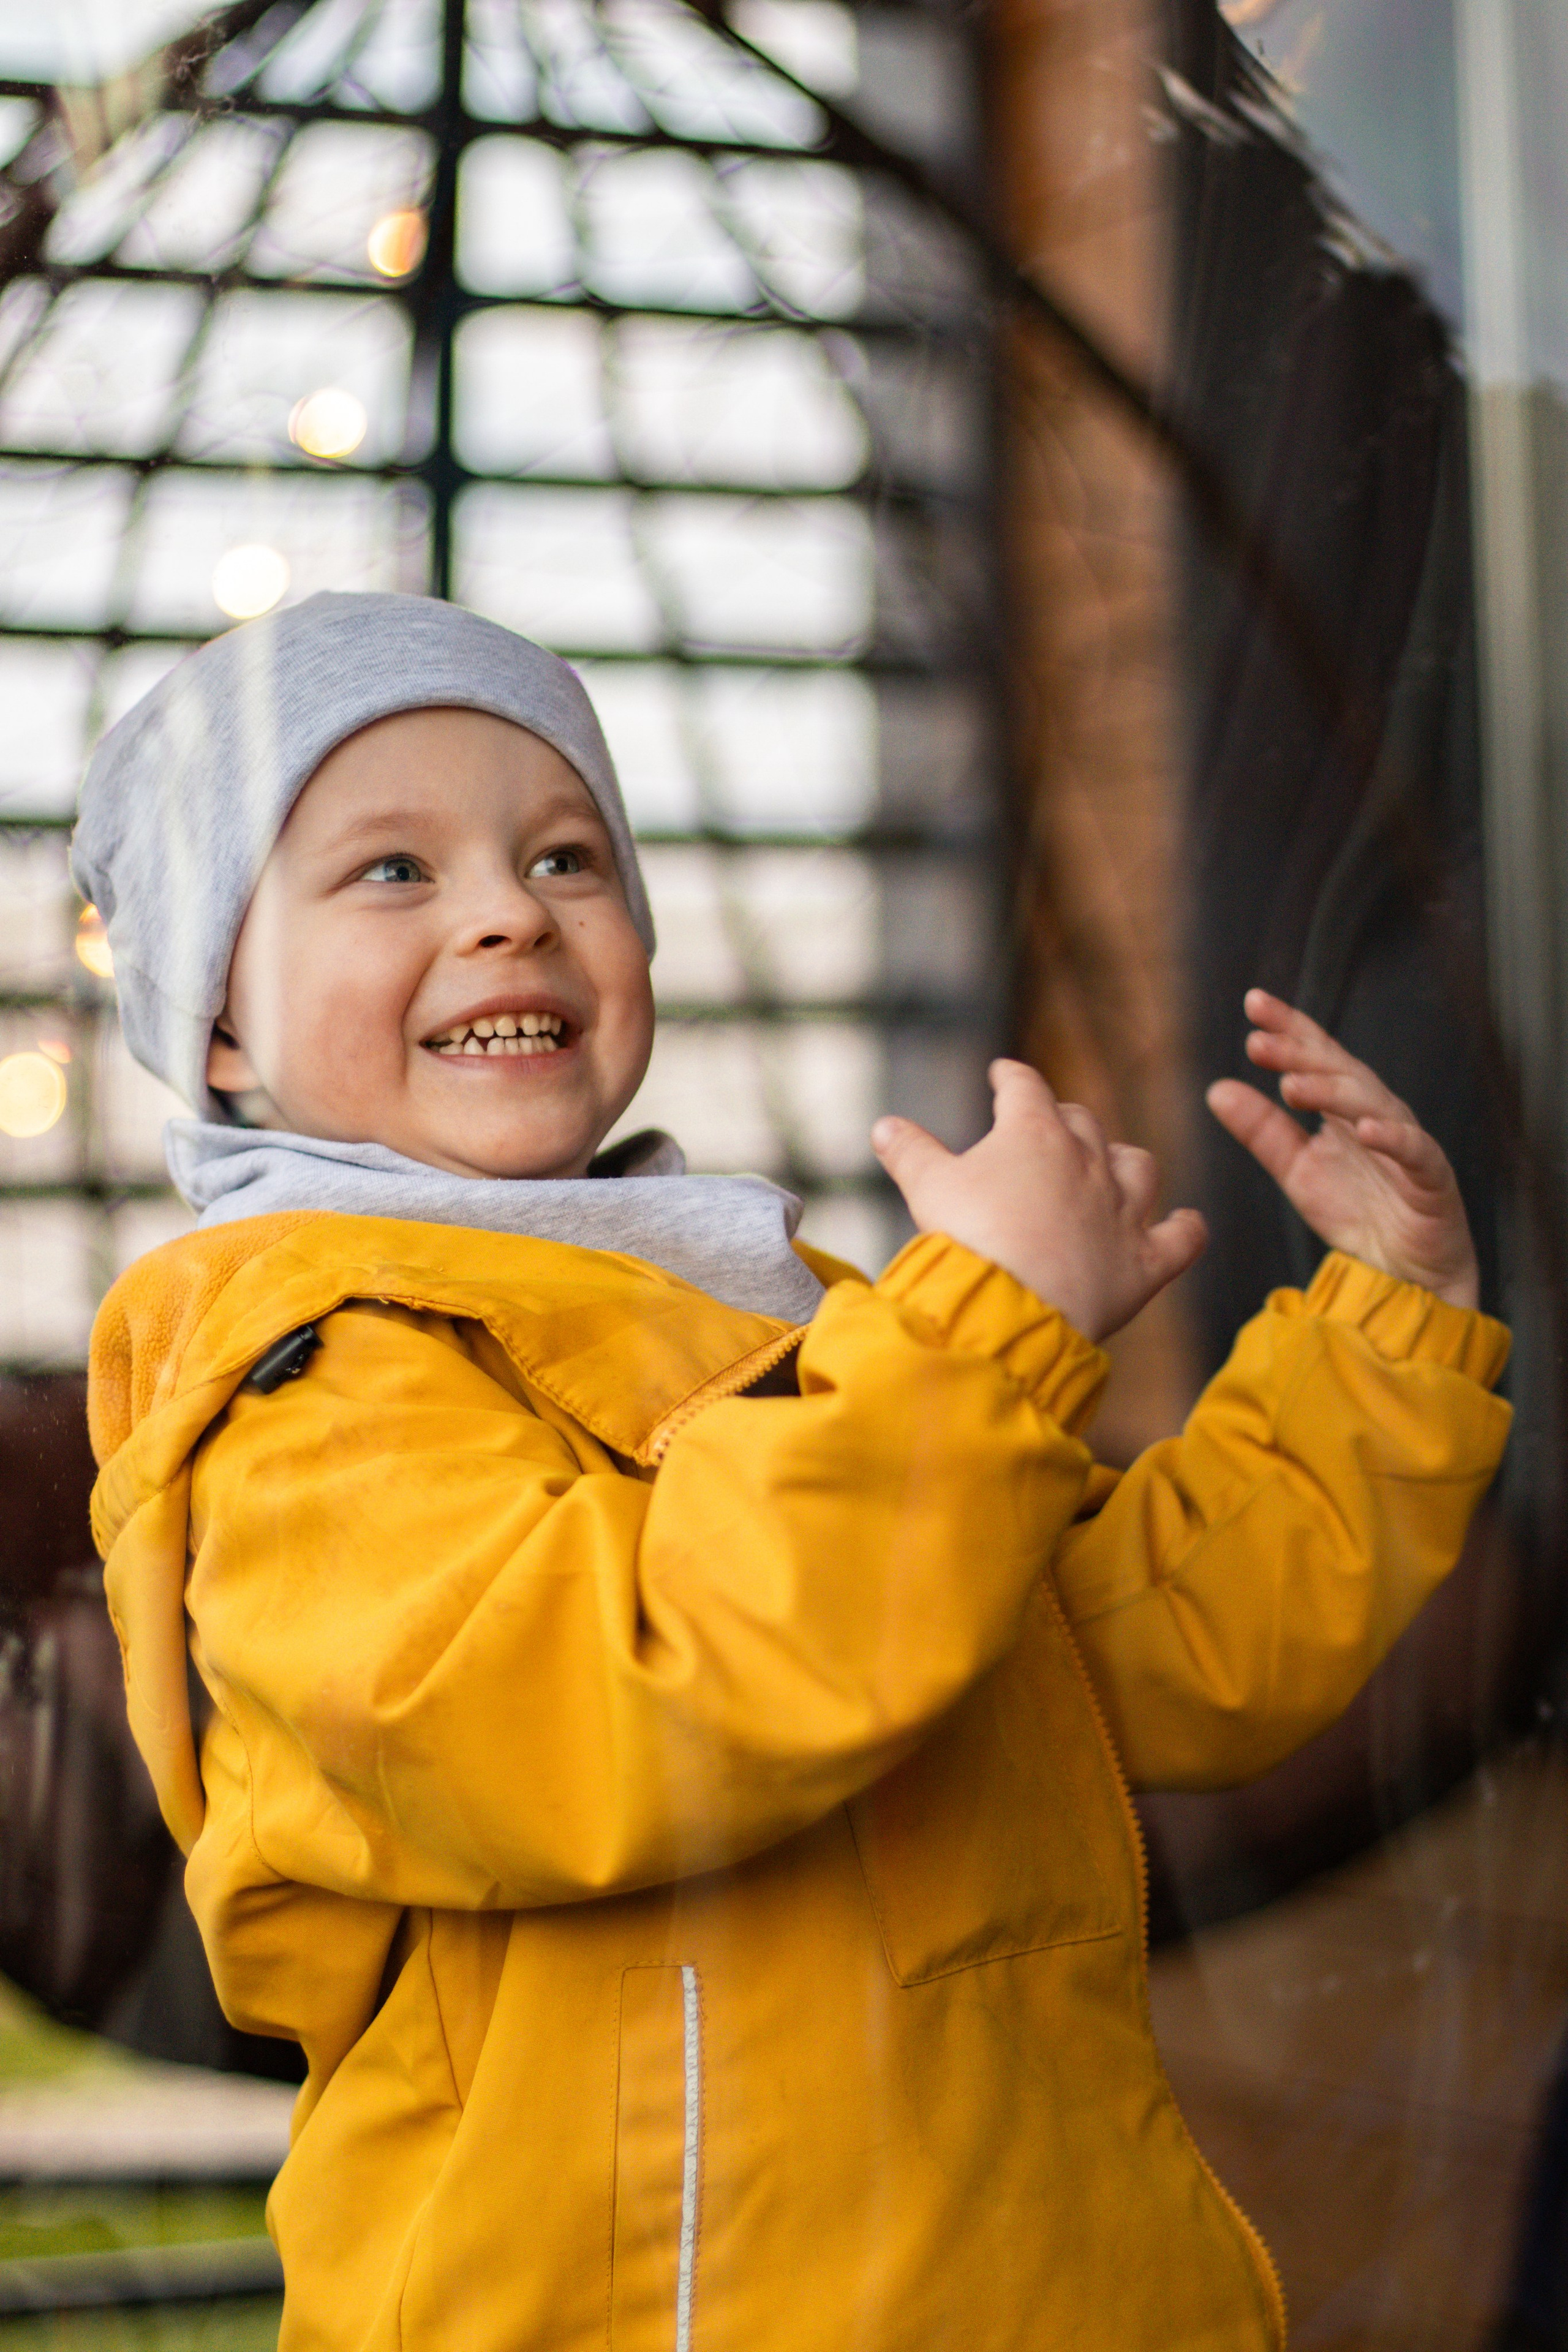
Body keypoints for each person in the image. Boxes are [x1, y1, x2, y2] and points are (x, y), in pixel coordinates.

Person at [76, 592, 1510, 2352]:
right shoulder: (309, 1373)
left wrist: (1388, 1324)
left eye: (568, 858)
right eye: (393, 871)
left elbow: (1137, 1656)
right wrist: (985, 1337)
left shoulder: (782, 1322)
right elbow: (600, 1703)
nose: (510, 913)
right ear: (219, 1027)